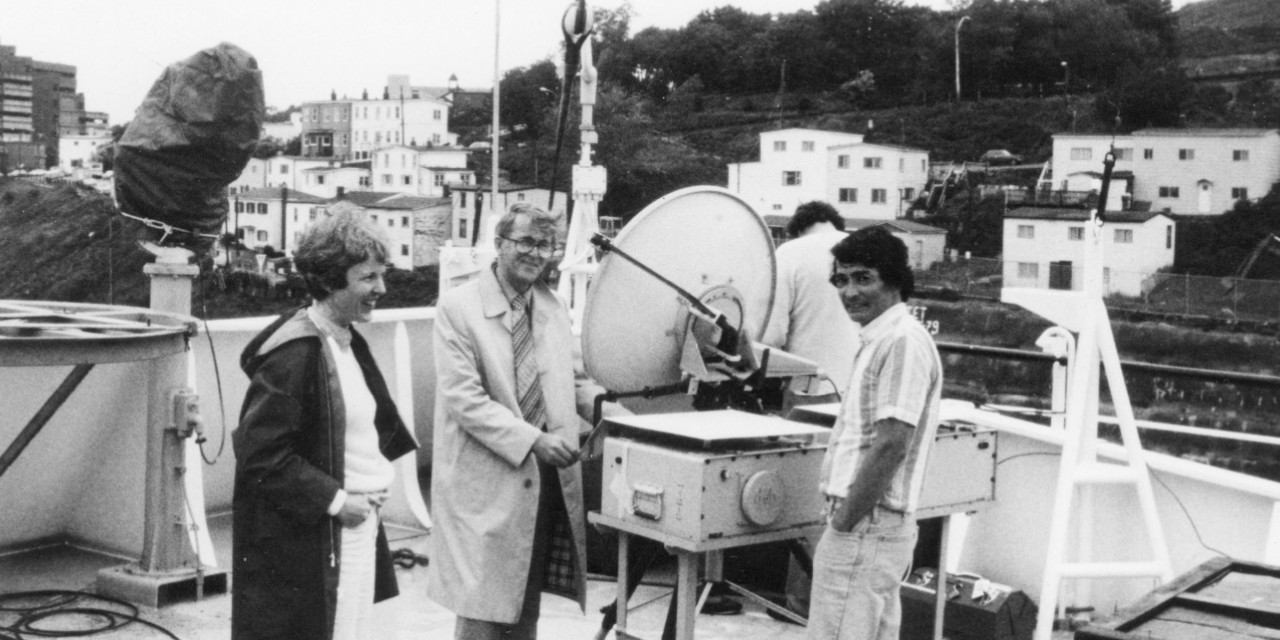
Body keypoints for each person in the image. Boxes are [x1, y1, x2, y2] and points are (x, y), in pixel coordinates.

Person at [428, 203, 624, 640]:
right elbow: (466, 400)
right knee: (483, 607)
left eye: (546, 245)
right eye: (526, 242)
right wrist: (534, 439)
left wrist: (619, 419)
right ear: (499, 245)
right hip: (488, 482)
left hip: (544, 481)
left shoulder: (551, 308)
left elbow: (574, 382)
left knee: (522, 601)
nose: (537, 254)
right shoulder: (458, 308)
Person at [232, 211, 418, 640]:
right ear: (332, 280)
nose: (381, 289)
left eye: (382, 275)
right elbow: (261, 454)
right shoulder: (296, 352)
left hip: (357, 522)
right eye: (368, 278)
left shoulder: (344, 338)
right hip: (327, 528)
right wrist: (337, 502)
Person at [808, 226, 943, 640]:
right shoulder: (881, 338)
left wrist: (844, 524)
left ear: (895, 282)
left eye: (864, 278)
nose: (850, 292)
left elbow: (891, 444)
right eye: (842, 280)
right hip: (871, 527)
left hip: (866, 526)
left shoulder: (901, 341)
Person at [760, 201, 861, 624]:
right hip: (863, 394)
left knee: (810, 500)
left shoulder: (790, 255)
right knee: (851, 501)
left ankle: (801, 604)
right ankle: (842, 607)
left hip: (811, 393)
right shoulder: (865, 251)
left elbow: (772, 336)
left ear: (796, 230)